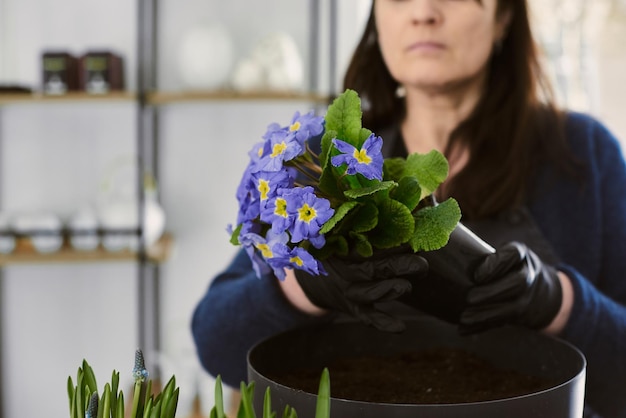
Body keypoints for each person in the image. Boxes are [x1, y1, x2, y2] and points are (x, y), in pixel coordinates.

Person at [192, 1, 626, 417]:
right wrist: (305, 286)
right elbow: (216, 342)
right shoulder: (325, 159)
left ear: (503, 17)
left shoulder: (582, 155)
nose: (423, 12)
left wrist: (559, 303)